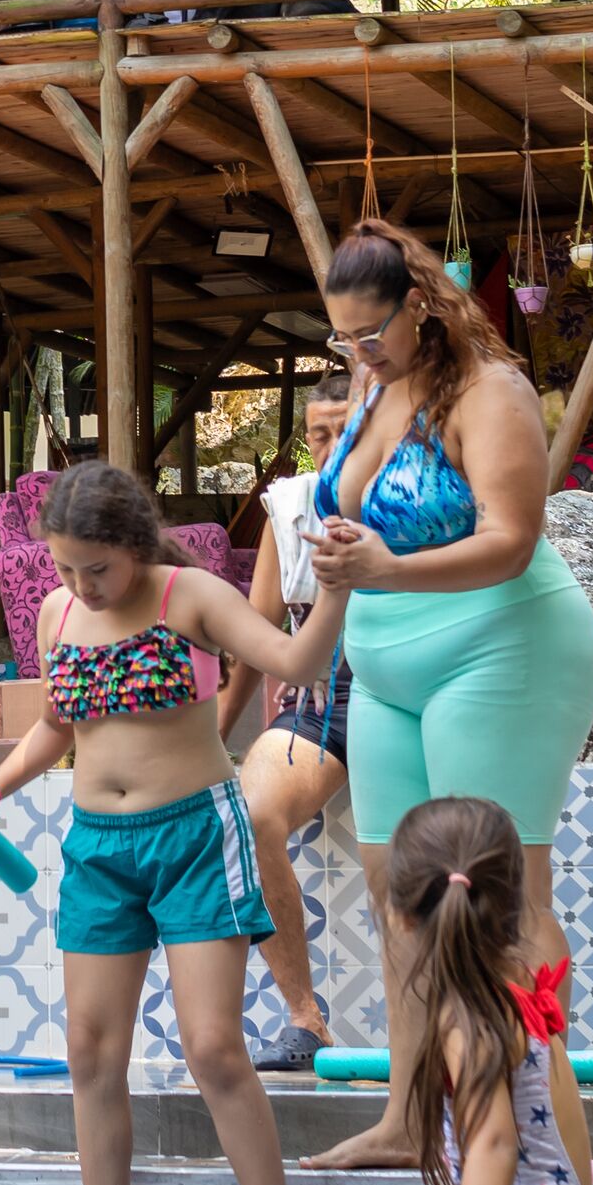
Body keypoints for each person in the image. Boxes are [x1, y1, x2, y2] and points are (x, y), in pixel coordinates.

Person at [0, 459, 350, 1185]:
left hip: (196, 836)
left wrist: (336, 592)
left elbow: (296, 662)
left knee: (212, 1047)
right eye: (64, 567)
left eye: (96, 567)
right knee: (91, 1054)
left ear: (133, 544)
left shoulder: (187, 597)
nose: (80, 584)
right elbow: (57, 727)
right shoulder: (59, 613)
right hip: (99, 848)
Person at [301, 220, 593, 1176]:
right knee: (402, 902)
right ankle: (404, 1118)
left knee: (503, 912)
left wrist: (388, 559)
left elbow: (512, 537)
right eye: (341, 340)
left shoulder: (492, 391)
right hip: (386, 666)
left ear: (420, 306)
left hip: (501, 648)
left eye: (370, 335)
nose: (358, 355)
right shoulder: (371, 385)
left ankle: (560, 1158)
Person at [195, 792, 593, 1185]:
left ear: (399, 914)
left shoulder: (467, 1018)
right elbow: (567, 1139)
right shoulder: (512, 996)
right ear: (511, 904)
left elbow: (493, 1145)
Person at [213, 387, 350, 1073]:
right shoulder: (288, 509)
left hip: (411, 695)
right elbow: (257, 631)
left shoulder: (418, 499)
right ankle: (305, 1019)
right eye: (317, 437)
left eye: (343, 432)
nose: (329, 450)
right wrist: (214, 737)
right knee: (250, 813)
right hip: (324, 699)